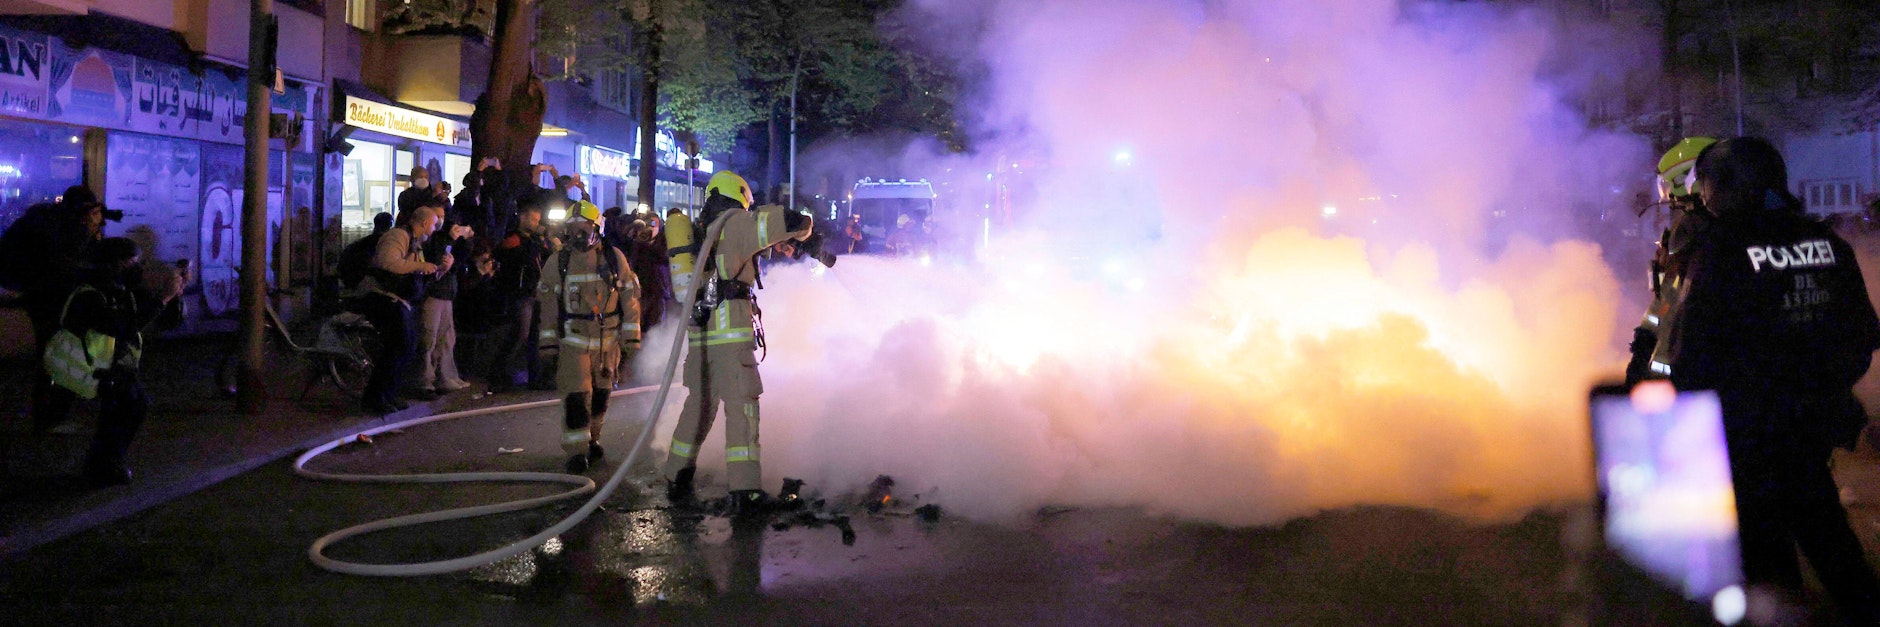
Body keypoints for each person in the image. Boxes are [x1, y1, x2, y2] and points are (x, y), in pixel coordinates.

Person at [1654, 137, 1880, 621]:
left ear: (1723, 189)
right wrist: (1820, 391)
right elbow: (1862, 335)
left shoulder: (1717, 252)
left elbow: (1687, 354)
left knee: (1767, 558)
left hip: (1748, 434)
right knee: (1826, 532)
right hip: (1811, 428)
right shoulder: (1828, 245)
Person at [661, 171, 812, 515]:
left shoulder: (701, 231)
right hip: (730, 334)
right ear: (740, 196)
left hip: (700, 334)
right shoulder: (737, 223)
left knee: (699, 405)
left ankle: (676, 475)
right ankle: (745, 491)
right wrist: (805, 230)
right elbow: (787, 222)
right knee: (742, 405)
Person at [51, 237, 185, 485]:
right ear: (114, 265)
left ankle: (103, 464)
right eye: (132, 263)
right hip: (88, 368)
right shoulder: (89, 294)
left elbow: (162, 321)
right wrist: (163, 298)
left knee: (128, 408)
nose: (138, 269)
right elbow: (121, 326)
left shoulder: (122, 292)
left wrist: (174, 295)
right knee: (127, 408)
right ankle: (102, 465)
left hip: (114, 368)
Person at [538, 200, 639, 473]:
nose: (578, 235)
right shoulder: (557, 261)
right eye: (573, 229)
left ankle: (593, 439)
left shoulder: (615, 258)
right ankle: (575, 451)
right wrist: (547, 342)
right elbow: (548, 305)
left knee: (601, 397)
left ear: (597, 228)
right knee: (576, 397)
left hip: (608, 344)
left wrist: (632, 338)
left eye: (584, 228)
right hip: (574, 341)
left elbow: (629, 299)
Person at [1, 185, 110, 433]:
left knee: (52, 350)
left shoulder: (52, 220)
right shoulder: (59, 228)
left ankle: (47, 413)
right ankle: (48, 417)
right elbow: (62, 268)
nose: (98, 220)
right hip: (39, 293)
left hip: (31, 288)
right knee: (56, 349)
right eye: (94, 214)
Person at [1625, 137, 1717, 385]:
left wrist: (1641, 364)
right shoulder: (1736, 233)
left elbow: (1667, 305)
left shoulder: (1693, 238)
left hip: (1686, 383)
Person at [355, 205, 451, 414]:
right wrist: (419, 266)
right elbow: (388, 262)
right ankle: (375, 398)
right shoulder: (398, 236)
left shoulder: (415, 243)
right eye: (434, 223)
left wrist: (441, 270)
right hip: (382, 297)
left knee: (406, 346)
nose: (435, 228)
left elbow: (417, 277)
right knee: (398, 346)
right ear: (424, 223)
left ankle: (388, 395)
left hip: (398, 300)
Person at [488, 200, 555, 392]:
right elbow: (516, 259)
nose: (536, 223)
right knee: (520, 335)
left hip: (535, 293)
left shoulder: (534, 240)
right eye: (533, 219)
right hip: (521, 294)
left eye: (538, 220)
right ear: (523, 217)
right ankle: (499, 375)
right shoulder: (513, 239)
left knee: (536, 337)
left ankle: (536, 377)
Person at [417, 198, 476, 396]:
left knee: (446, 338)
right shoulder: (430, 239)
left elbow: (456, 261)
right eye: (436, 217)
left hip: (446, 292)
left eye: (442, 217)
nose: (439, 221)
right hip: (434, 293)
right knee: (429, 337)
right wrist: (451, 241)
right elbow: (434, 260)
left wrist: (465, 240)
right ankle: (425, 381)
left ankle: (444, 377)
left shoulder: (442, 237)